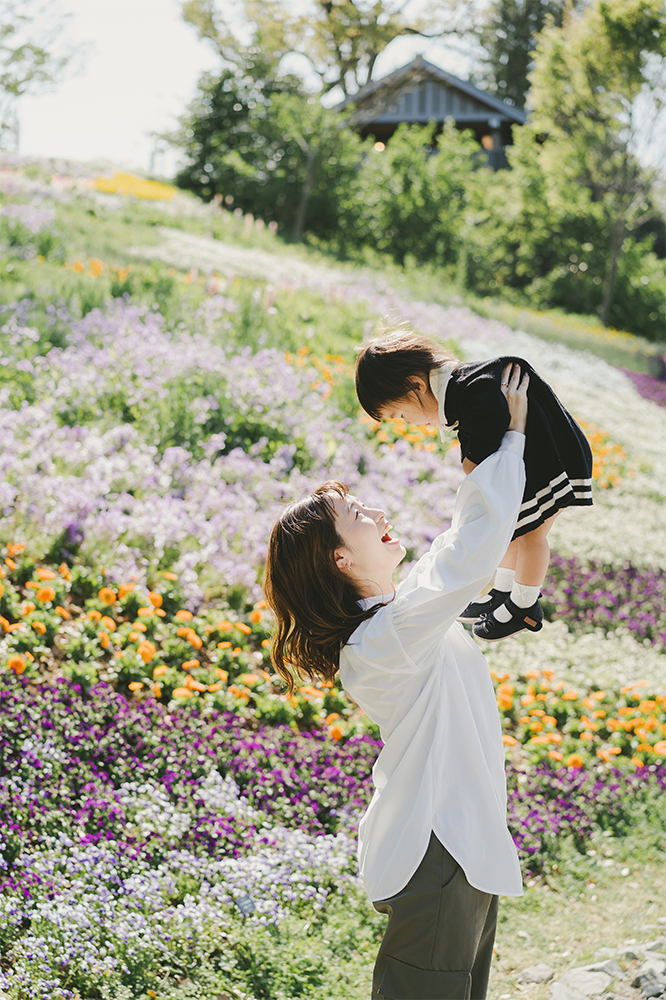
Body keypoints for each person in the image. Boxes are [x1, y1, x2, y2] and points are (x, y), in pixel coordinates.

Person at [264, 364, 529, 1000]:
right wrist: (510, 439)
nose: (377, 511)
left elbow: (453, 560)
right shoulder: (385, 639)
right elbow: (466, 554)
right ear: (340, 558)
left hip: (464, 845)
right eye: (356, 514)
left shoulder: (397, 618)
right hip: (440, 850)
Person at [354, 330, 593, 641]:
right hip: (536, 463)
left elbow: (478, 460)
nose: (407, 423)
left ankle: (524, 605)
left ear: (416, 384)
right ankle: (502, 590)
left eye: (400, 414)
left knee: (533, 534)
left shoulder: (473, 388)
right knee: (514, 529)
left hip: (555, 464)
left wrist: (471, 461)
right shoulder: (463, 389)